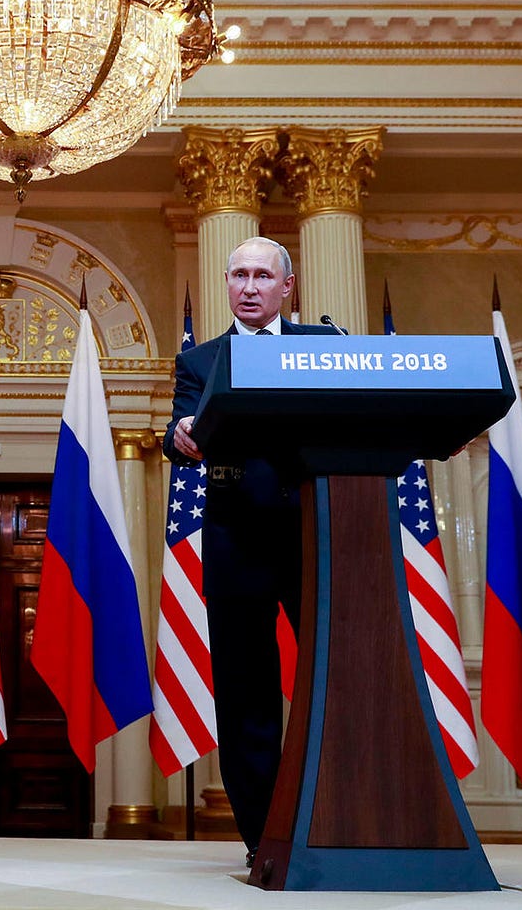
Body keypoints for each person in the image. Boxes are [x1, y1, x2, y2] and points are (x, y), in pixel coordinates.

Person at [163, 236, 327, 866]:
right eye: (239, 276)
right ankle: (264, 837)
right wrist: (179, 434)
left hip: (318, 531)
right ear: (227, 286)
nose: (250, 286)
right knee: (246, 690)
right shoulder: (202, 361)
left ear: (288, 287)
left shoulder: (323, 347)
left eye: (263, 276)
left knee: (336, 675)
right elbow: (180, 432)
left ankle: (336, 811)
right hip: (237, 538)